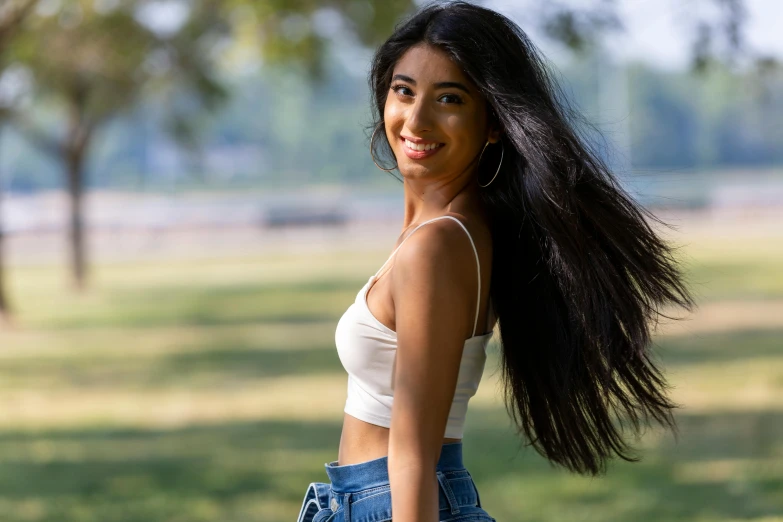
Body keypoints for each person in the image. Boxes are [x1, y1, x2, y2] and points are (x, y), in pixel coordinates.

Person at [296, 1, 695, 521]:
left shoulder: (436, 247)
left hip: (394, 503)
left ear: (493, 125)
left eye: (449, 99)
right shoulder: (459, 230)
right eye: (404, 90)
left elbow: (414, 451)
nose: (416, 119)